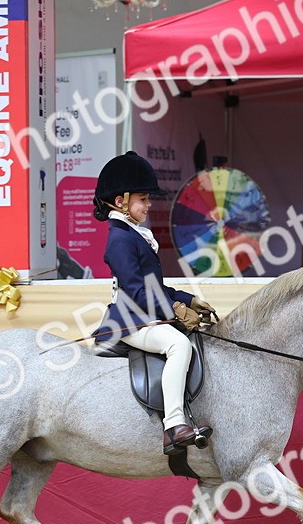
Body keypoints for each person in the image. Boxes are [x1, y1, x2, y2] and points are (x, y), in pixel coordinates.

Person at [91, 151, 216, 455]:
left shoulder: (133, 234)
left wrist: (188, 300)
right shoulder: (120, 239)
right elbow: (137, 290)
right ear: (120, 200)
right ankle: (174, 425)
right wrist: (174, 311)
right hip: (129, 320)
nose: (149, 205)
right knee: (178, 345)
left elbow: (154, 287)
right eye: (143, 199)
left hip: (145, 314)